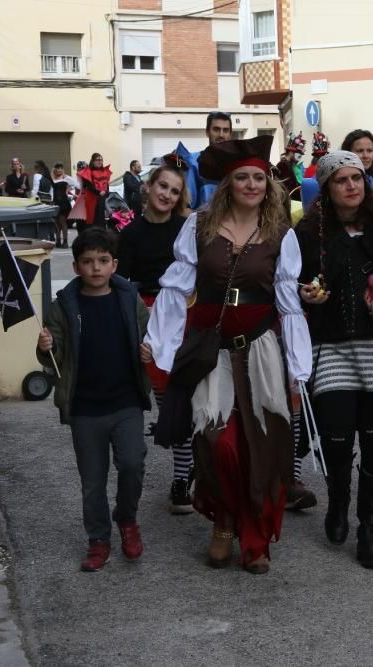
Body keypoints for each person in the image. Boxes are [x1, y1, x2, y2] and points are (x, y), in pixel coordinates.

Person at [145, 135, 311, 574]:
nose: (252, 184)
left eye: (259, 177)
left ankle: (255, 539)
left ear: (269, 184)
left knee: (263, 444)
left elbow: (288, 301)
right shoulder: (198, 226)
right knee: (217, 443)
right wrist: (160, 343)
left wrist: (298, 364)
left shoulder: (280, 233)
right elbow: (177, 287)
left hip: (261, 349)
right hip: (211, 349)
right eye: (243, 177)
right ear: (229, 184)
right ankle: (223, 520)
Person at [296, 151, 373, 568]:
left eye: (357, 178)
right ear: (327, 188)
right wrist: (310, 292)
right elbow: (296, 281)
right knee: (338, 438)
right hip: (333, 347)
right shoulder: (309, 233)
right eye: (341, 180)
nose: (352, 186)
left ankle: (369, 530)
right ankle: (338, 503)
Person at [36, 228, 152, 572]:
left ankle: (126, 518)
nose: (95, 268)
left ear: (114, 265)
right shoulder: (65, 306)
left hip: (126, 401)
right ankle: (98, 539)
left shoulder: (129, 300)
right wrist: (47, 347)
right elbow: (52, 356)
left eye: (103, 261)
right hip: (85, 407)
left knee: (133, 463)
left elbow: (151, 338)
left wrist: (150, 351)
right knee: (92, 481)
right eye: (87, 262)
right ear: (75, 267)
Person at [115, 154, 198, 516]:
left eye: (174, 190)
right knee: (168, 403)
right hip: (146, 316)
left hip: (184, 314)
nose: (166, 194)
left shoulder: (187, 229)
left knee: (186, 401)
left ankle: (183, 480)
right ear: (148, 188)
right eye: (162, 186)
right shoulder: (129, 234)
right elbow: (123, 284)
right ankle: (185, 469)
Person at [177, 111, 233, 210]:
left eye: (225, 130)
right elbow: (185, 208)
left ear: (230, 134)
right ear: (207, 132)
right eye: (216, 129)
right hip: (202, 223)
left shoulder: (238, 164)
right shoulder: (193, 162)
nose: (221, 134)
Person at [76, 153, 112, 227]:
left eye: (101, 160)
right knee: (92, 220)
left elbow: (106, 185)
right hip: (91, 200)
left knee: (101, 219)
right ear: (93, 161)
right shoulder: (87, 172)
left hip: (101, 200)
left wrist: (106, 192)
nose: (99, 162)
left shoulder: (105, 172)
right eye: (97, 160)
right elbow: (89, 186)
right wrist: (99, 192)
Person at [50, 162, 77, 248]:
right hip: (55, 202)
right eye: (58, 168)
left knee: (62, 222)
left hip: (63, 203)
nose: (59, 170)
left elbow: (76, 184)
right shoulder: (52, 179)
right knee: (57, 223)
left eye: (61, 168)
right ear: (55, 169)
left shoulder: (66, 178)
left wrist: (69, 189)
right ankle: (58, 241)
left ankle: (65, 241)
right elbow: (50, 191)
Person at [274, 131, 306, 197]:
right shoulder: (282, 165)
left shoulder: (291, 165)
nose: (300, 157)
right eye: (298, 153)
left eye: (301, 154)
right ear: (291, 152)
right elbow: (288, 187)